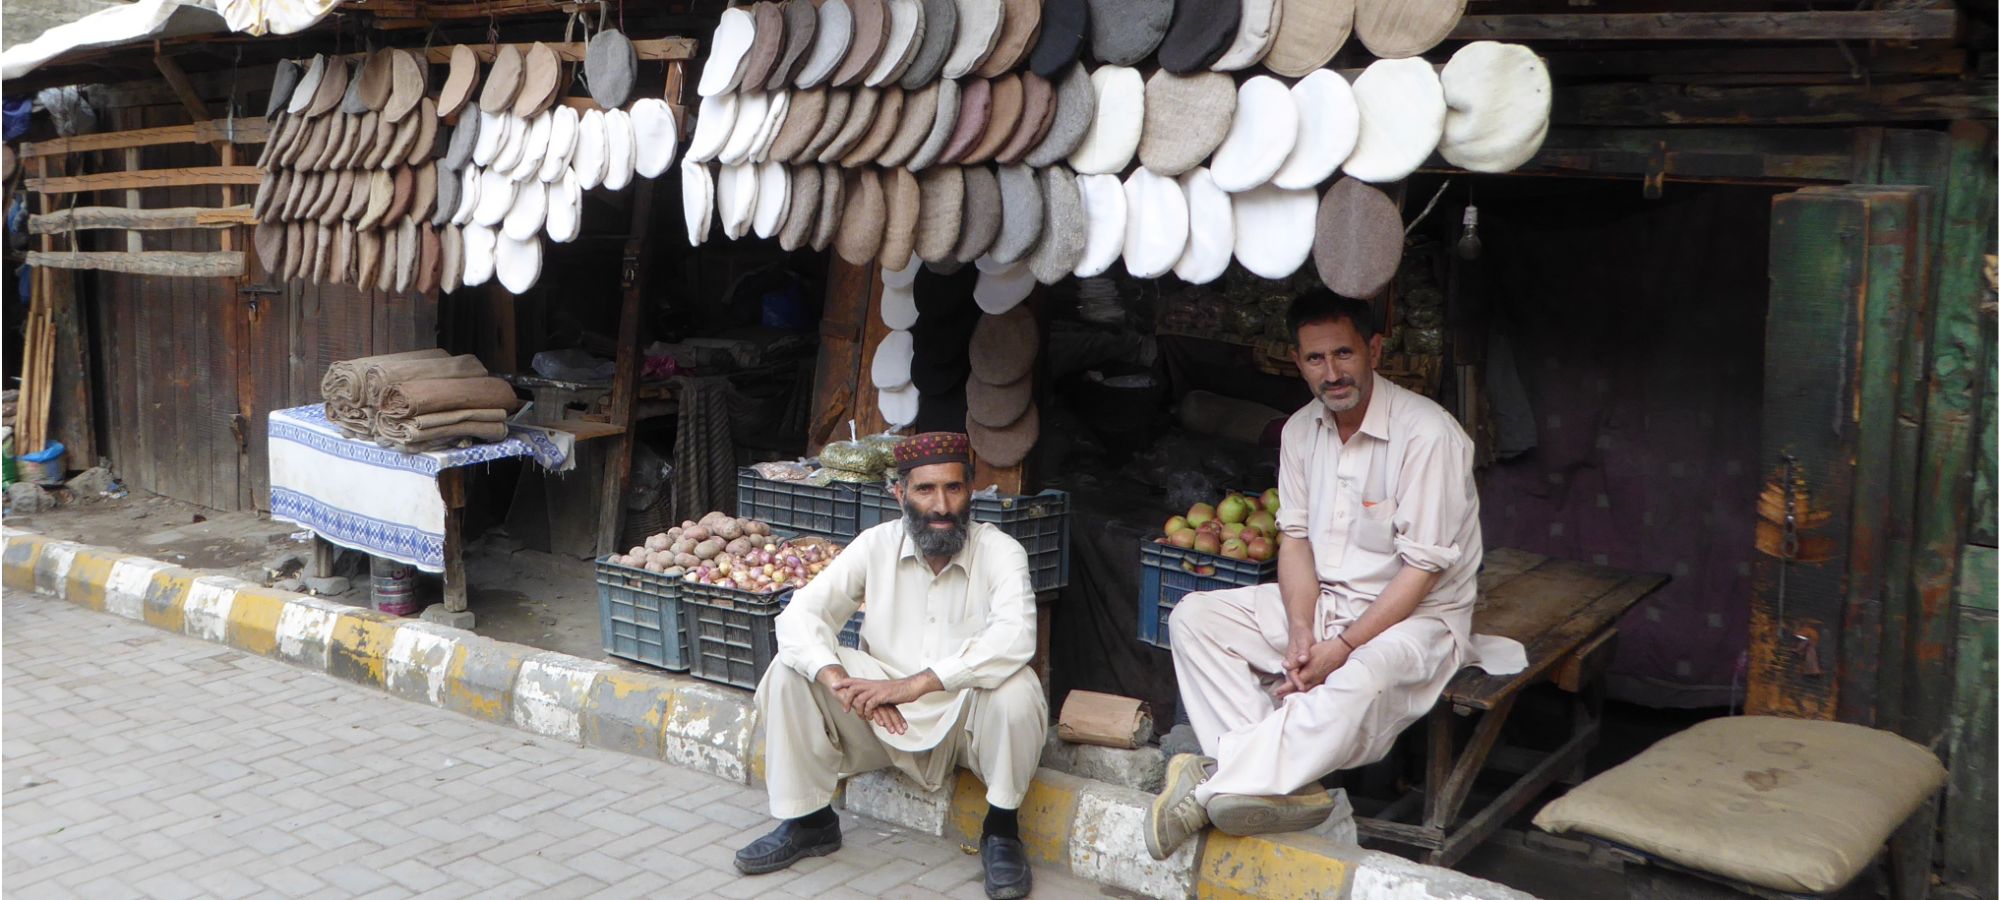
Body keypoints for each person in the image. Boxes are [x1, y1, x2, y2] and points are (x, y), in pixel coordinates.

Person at [1146, 292, 1484, 859]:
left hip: (1416, 619)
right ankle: (1278, 788)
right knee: (1195, 617)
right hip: (1327, 603)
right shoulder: (1302, 431)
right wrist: (1303, 630)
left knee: (1358, 680)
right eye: (1316, 359)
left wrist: (1343, 647)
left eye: (1344, 354)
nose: (1333, 373)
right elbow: (1295, 540)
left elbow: (1422, 571)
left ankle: (1212, 787)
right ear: (1297, 362)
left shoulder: (1428, 434)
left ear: (1374, 350)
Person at [736, 432, 1046, 899]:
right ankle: (810, 823)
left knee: (1018, 688)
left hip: (962, 720)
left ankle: (1001, 832)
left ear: (970, 491)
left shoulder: (1001, 552)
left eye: (953, 488)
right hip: (881, 720)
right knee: (790, 669)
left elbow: (1016, 636)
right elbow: (801, 615)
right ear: (899, 494)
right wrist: (837, 680)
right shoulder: (874, 544)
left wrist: (914, 686)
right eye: (925, 490)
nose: (941, 505)